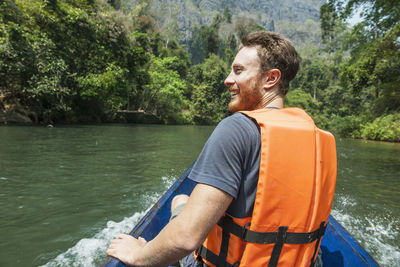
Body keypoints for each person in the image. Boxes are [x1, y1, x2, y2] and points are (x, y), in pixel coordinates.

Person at [107, 31, 337, 267]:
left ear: (271, 79)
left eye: (238, 71)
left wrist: (138, 255)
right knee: (182, 201)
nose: (227, 79)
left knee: (179, 200)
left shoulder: (237, 128)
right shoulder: (319, 137)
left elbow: (186, 239)